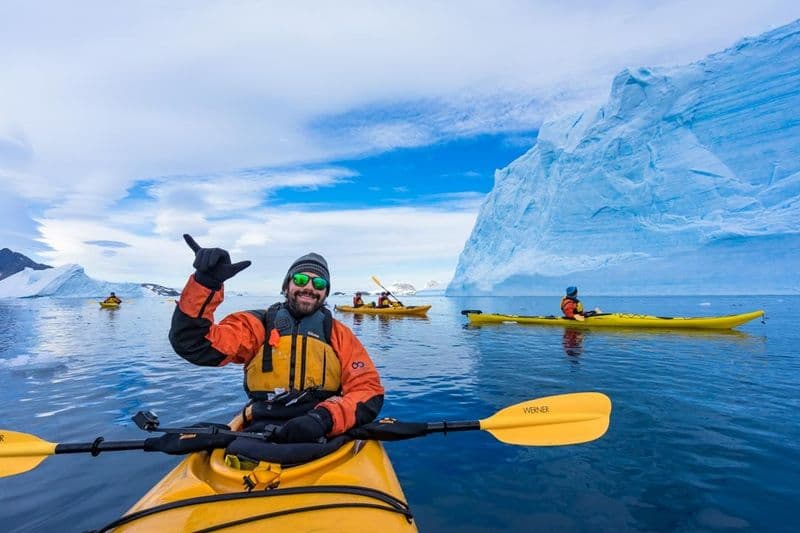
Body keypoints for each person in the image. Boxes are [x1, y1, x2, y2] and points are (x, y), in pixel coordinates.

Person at [169, 234, 384, 447]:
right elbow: (194, 344)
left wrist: (324, 419)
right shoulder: (257, 325)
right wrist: (205, 283)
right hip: (262, 426)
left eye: (318, 283)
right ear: (286, 286)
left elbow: (368, 389)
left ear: (325, 293)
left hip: (320, 429)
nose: (309, 287)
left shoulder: (339, 334)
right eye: (300, 279)